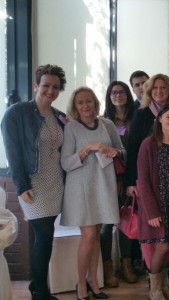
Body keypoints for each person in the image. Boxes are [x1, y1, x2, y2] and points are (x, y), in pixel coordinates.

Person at [1, 64, 67, 300]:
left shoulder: (59, 116)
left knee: (46, 234)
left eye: (56, 87)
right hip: (33, 184)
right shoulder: (16, 114)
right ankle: (38, 289)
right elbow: (13, 152)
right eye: (46, 85)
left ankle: (39, 286)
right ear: (36, 85)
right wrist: (21, 185)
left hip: (56, 182)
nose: (50, 90)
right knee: (44, 234)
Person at [61, 87, 124, 299]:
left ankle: (94, 282)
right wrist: (88, 149)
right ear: (75, 106)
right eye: (80, 102)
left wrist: (115, 152)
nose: (86, 105)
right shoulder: (71, 129)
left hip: (104, 186)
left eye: (89, 101)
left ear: (95, 103)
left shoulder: (107, 124)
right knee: (88, 235)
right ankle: (81, 283)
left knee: (95, 235)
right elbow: (66, 163)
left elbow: (122, 150)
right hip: (81, 189)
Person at [126, 74, 169, 288]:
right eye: (156, 88)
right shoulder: (143, 120)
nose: (160, 91)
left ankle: (166, 279)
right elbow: (134, 152)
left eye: (164, 88)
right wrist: (131, 183)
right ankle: (154, 285)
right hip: (153, 193)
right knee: (158, 243)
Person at [136, 103, 169, 300]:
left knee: (168, 246)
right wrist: (151, 212)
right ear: (159, 118)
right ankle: (154, 289)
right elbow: (142, 180)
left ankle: (163, 288)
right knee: (162, 247)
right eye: (168, 117)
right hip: (158, 206)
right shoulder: (149, 144)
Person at [101, 81, 138, 286]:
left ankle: (127, 265)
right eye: (113, 92)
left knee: (127, 222)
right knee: (106, 225)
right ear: (109, 96)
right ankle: (108, 269)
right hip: (108, 179)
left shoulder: (137, 118)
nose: (118, 95)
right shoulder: (104, 121)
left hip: (130, 178)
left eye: (122, 92)